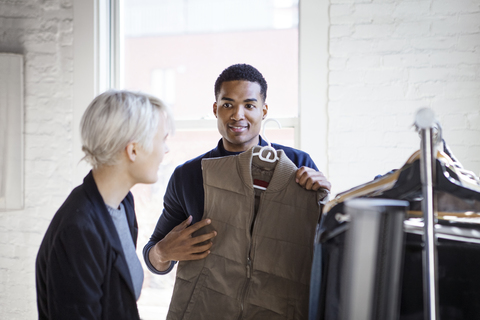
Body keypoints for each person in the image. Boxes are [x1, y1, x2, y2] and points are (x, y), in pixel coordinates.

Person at [143, 64, 331, 319]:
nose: (237, 115)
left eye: (249, 106)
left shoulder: (298, 165)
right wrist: (162, 252)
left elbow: (326, 245)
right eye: (228, 104)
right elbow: (154, 258)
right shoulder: (189, 175)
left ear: (264, 111)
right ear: (215, 109)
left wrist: (325, 200)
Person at [35, 90, 173, 320]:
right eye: (162, 139)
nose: (166, 150)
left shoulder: (123, 203)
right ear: (133, 150)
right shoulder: (78, 231)